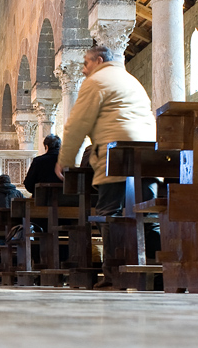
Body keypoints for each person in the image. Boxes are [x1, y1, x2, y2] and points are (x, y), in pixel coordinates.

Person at [54, 44, 160, 289]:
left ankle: (115, 275)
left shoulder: (96, 81)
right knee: (150, 216)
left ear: (98, 60)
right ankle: (158, 275)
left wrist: (65, 160)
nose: (83, 70)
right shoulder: (132, 80)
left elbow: (76, 124)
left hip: (118, 156)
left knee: (109, 214)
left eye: (86, 64)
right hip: (150, 157)